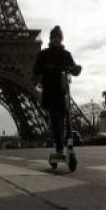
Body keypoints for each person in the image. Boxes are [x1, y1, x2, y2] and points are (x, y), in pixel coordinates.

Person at [32, 26, 81, 156]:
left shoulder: (66, 54)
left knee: (67, 119)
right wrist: (45, 67)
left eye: (59, 37)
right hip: (50, 91)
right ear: (51, 39)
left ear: (61, 38)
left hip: (63, 91)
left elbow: (73, 67)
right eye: (55, 37)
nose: (57, 39)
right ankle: (59, 147)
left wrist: (76, 69)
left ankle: (67, 144)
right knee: (56, 120)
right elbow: (36, 69)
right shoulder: (44, 54)